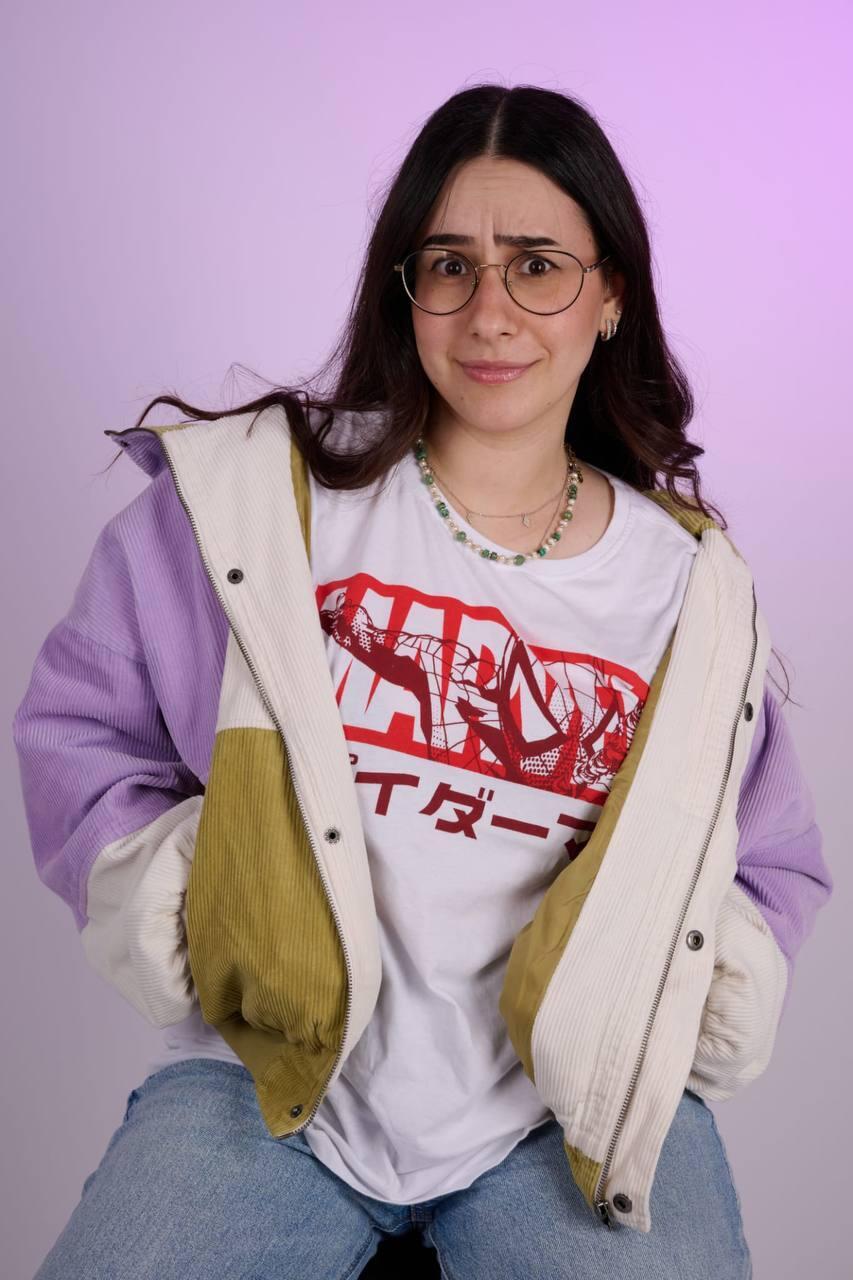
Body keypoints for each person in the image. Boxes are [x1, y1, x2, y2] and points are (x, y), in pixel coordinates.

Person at [12, 83, 832, 1280]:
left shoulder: (687, 588)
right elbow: (79, 727)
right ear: (408, 286)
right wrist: (205, 894)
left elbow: (769, 860)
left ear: (609, 296)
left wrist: (663, 1005)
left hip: (559, 1113)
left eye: (538, 264)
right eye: (451, 263)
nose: (490, 310)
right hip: (270, 1079)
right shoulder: (265, 502)